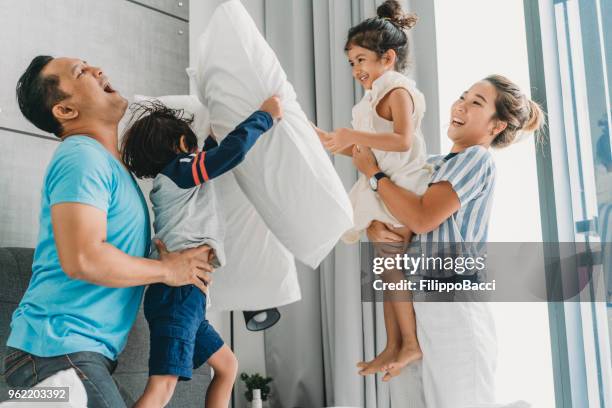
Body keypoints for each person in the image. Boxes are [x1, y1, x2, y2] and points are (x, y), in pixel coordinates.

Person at [3, 56, 214, 408]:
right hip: (53, 354)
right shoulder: (80, 157)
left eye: (89, 64)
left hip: (73, 357)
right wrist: (168, 270)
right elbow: (84, 258)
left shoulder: (111, 168)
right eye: (80, 73)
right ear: (66, 111)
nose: (97, 70)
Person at [353, 75, 545, 407]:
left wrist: (374, 175)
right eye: (463, 97)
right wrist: (374, 226)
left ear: (496, 126)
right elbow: (400, 220)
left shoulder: (476, 159)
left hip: (453, 303)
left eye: (476, 103)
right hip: (418, 304)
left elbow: (422, 217)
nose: (461, 105)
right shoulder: (432, 166)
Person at [120, 96, 282, 408]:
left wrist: (212, 136)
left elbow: (212, 155)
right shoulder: (179, 173)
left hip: (185, 297)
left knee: (227, 366)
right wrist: (264, 116)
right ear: (183, 145)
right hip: (178, 294)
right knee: (162, 388)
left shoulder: (177, 180)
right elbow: (228, 155)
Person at [314, 0, 428, 379]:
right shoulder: (372, 96)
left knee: (390, 266)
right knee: (385, 269)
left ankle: (407, 341)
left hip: (400, 184)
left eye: (362, 60)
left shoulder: (398, 91)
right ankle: (393, 344)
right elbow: (361, 147)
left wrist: (351, 137)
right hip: (380, 181)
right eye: (352, 62)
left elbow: (401, 140)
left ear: (388, 58)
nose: (356, 69)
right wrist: (327, 140)